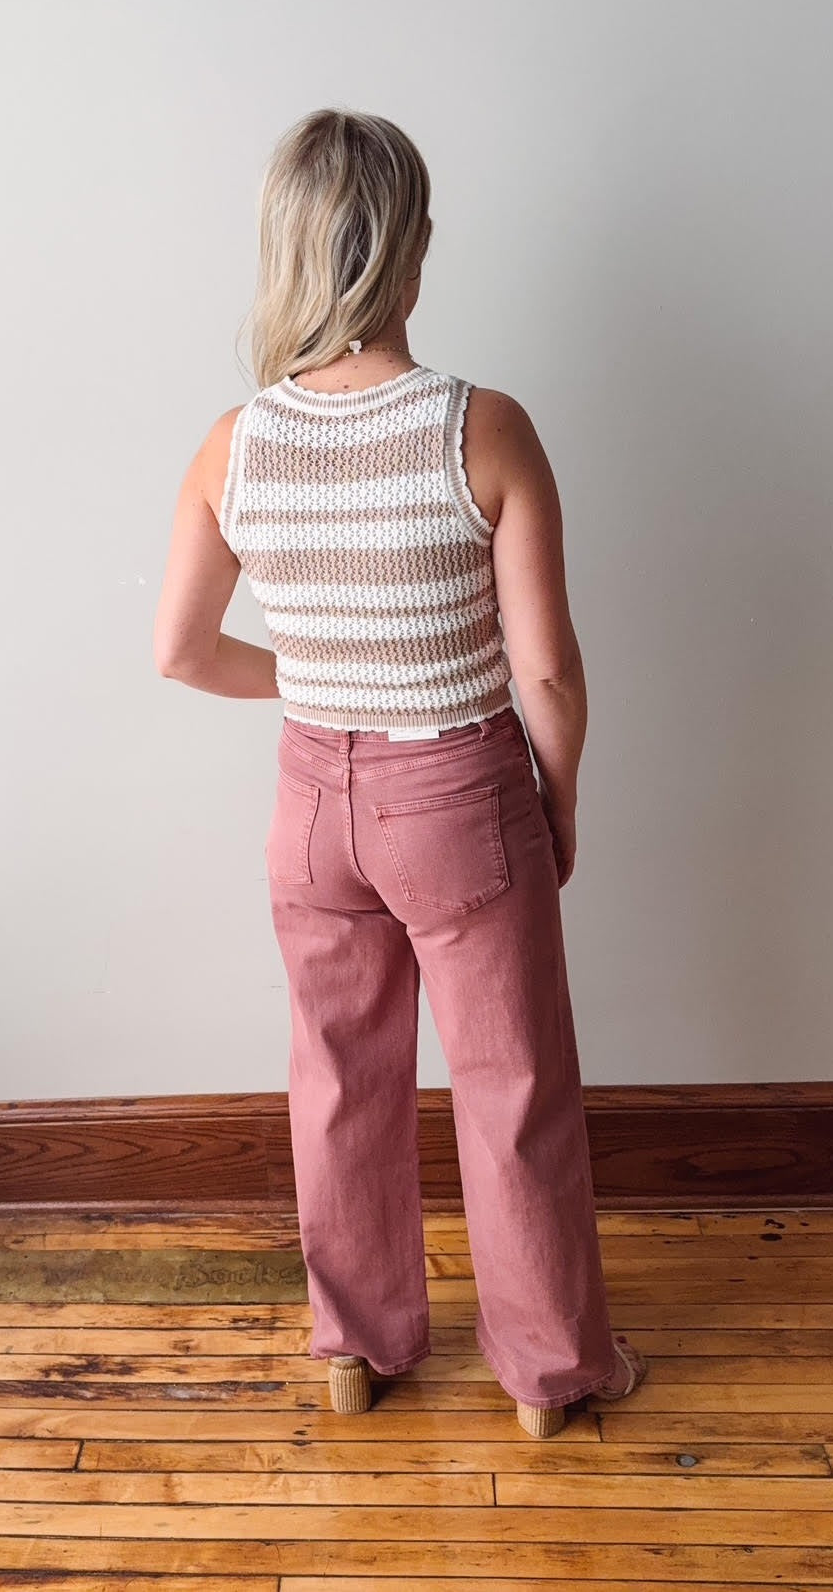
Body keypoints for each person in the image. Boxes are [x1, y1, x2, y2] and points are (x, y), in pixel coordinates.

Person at [153, 107, 647, 1437]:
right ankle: (548, 1375)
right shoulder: (479, 428)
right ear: (412, 254)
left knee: (338, 1078)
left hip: (311, 807)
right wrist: (562, 793)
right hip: (460, 792)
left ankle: (356, 1350)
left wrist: (316, 690)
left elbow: (181, 651)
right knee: (513, 1084)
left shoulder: (234, 443)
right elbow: (544, 672)